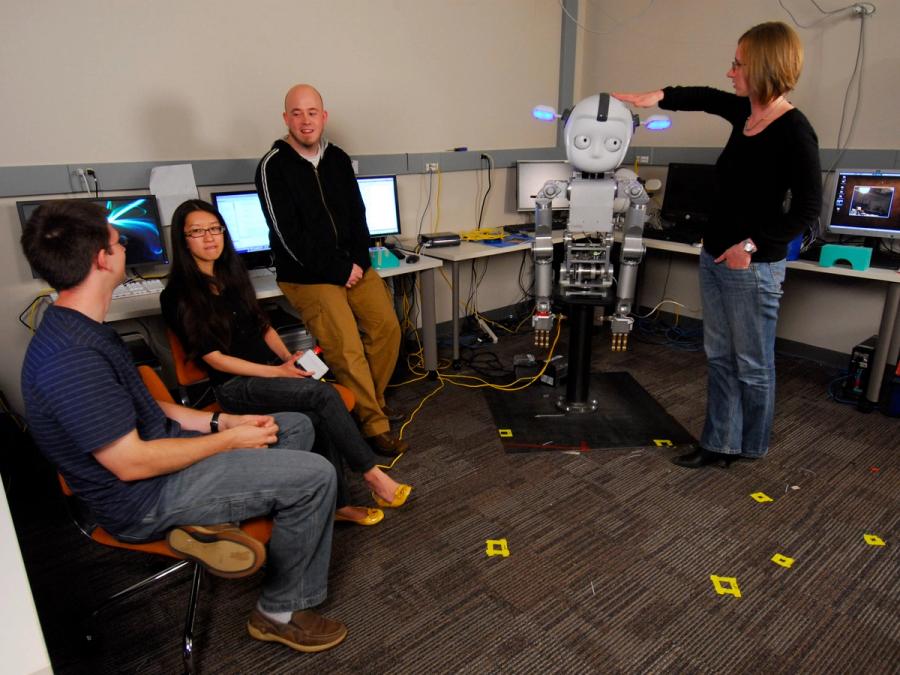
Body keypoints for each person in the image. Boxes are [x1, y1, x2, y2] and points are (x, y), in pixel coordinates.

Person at [20, 200, 347, 653]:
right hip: (144, 499)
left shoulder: (84, 327)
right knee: (316, 477)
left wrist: (223, 420)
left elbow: (151, 408)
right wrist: (228, 441)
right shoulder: (71, 358)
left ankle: (221, 520)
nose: (124, 247)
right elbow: (131, 464)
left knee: (291, 427)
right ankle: (279, 613)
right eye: (118, 242)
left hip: (165, 459)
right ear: (102, 259)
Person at [614, 21, 822, 468]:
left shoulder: (794, 130)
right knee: (720, 357)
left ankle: (750, 447)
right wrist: (656, 96)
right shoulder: (745, 112)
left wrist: (749, 247)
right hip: (715, 255)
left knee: (752, 363)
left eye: (738, 64)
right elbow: (704, 97)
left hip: (752, 266)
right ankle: (718, 444)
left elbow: (807, 209)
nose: (730, 72)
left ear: (763, 66)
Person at [160, 199, 412, 524]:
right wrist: (277, 372)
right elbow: (216, 360)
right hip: (236, 387)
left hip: (269, 373)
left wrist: (286, 358)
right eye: (197, 232)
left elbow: (263, 326)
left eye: (214, 229)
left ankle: (338, 506)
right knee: (324, 395)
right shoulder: (177, 294)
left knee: (318, 413)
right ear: (183, 240)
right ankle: (373, 475)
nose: (209, 238)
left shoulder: (231, 275)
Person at [256, 83, 407, 456]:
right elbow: (287, 235)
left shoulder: (337, 158)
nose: (305, 121)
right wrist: (338, 270)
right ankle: (373, 424)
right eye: (297, 113)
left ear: (323, 117)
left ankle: (366, 401)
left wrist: (356, 262)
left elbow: (358, 215)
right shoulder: (272, 167)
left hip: (351, 266)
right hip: (307, 274)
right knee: (346, 345)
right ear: (286, 118)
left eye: (312, 113)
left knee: (387, 328)